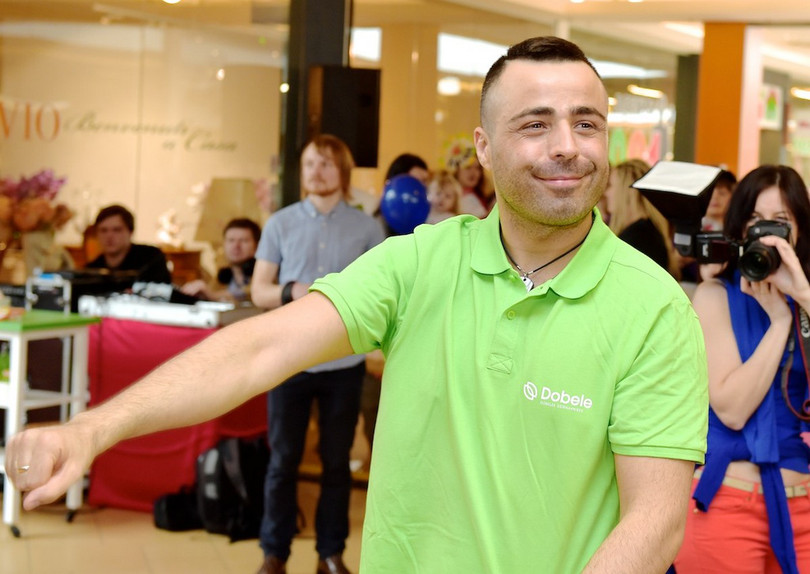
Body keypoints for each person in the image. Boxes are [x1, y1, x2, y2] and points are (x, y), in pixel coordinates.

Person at [6, 36, 707, 573]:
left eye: (587, 124)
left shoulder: (652, 306)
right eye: (536, 125)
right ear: (485, 149)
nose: (567, 147)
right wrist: (92, 430)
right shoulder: (418, 262)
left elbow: (654, 522)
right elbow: (259, 349)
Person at [249, 134, 384, 574]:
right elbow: (259, 290)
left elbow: (379, 294)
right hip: (289, 360)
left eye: (325, 164)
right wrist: (293, 290)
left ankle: (330, 554)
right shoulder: (280, 223)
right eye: (309, 164)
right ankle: (274, 554)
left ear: (341, 172)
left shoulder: (367, 228)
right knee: (282, 461)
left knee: (336, 463)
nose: (316, 172)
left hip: (344, 363)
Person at [674, 165, 810, 574]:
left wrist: (802, 297)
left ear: (800, 230)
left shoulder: (806, 299)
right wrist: (780, 322)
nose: (766, 233)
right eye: (755, 219)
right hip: (727, 504)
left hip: (804, 509)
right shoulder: (715, 295)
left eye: (780, 220)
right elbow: (732, 409)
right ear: (738, 228)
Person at [604, 158, 675, 274]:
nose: (606, 193)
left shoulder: (637, 240)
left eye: (610, 186)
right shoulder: (649, 233)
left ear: (628, 191)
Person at [85, 204, 172, 284]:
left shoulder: (152, 259)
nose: (109, 236)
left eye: (117, 230)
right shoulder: (91, 271)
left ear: (130, 232)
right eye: (103, 230)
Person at [180, 217, 261, 302]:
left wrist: (213, 295)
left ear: (257, 246)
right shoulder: (222, 277)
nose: (236, 246)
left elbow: (253, 293)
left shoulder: (264, 273)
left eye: (244, 241)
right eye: (231, 240)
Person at [445, 137, 490, 217]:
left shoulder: (477, 198)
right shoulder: (444, 196)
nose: (473, 172)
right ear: (456, 170)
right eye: (468, 167)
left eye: (477, 168)